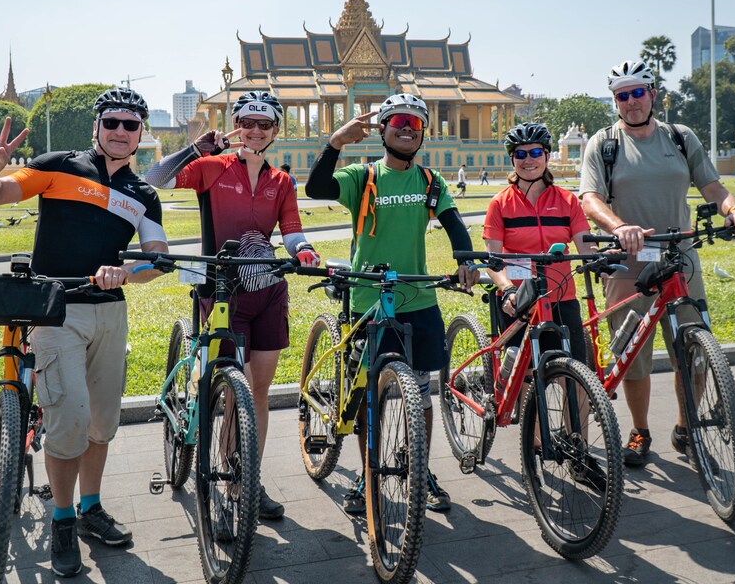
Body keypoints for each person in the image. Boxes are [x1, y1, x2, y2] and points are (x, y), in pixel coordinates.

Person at [0, 87, 169, 577]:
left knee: (102, 423)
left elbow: (156, 257)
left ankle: (91, 508)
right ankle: (63, 520)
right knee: (69, 422)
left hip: (109, 311)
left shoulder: (143, 195)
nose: (121, 132)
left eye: (131, 125)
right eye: (113, 123)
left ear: (141, 133)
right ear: (97, 126)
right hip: (56, 312)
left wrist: (127, 273)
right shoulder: (59, 165)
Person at [145, 90, 319, 521]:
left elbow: (293, 230)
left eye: (265, 124)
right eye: (248, 122)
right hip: (223, 292)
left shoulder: (282, 181)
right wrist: (194, 147)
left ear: (276, 131)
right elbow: (155, 177)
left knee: (256, 392)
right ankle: (222, 480)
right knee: (227, 389)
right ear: (236, 125)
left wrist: (305, 252)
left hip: (268, 291)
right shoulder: (210, 168)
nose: (255, 131)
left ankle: (246, 479)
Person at [578, 61, 735, 468]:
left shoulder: (679, 137)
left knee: (693, 350)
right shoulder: (603, 144)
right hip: (629, 262)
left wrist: (734, 210)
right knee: (632, 355)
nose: (631, 102)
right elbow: (590, 199)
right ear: (615, 102)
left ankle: (687, 427)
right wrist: (619, 225)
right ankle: (640, 430)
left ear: (653, 94)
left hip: (680, 258)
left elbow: (712, 185)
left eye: (638, 92)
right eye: (621, 96)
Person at [305, 93, 476, 514]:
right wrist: (335, 143)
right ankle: (369, 472)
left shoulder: (431, 183)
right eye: (398, 120)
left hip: (418, 298)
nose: (406, 128)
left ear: (422, 135)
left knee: (420, 395)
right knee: (371, 396)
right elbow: (315, 188)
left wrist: (466, 262)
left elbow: (455, 226)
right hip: (370, 299)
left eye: (415, 124)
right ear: (382, 129)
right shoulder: (363, 177)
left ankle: (419, 470)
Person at [483, 122, 593, 367]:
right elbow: (492, 259)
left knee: (577, 374)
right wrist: (508, 289)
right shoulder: (500, 203)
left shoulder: (567, 200)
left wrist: (603, 257)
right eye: (520, 154)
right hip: (519, 300)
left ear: (546, 156)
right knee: (521, 379)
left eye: (535, 153)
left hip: (562, 297)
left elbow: (586, 247)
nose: (528, 160)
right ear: (512, 159)